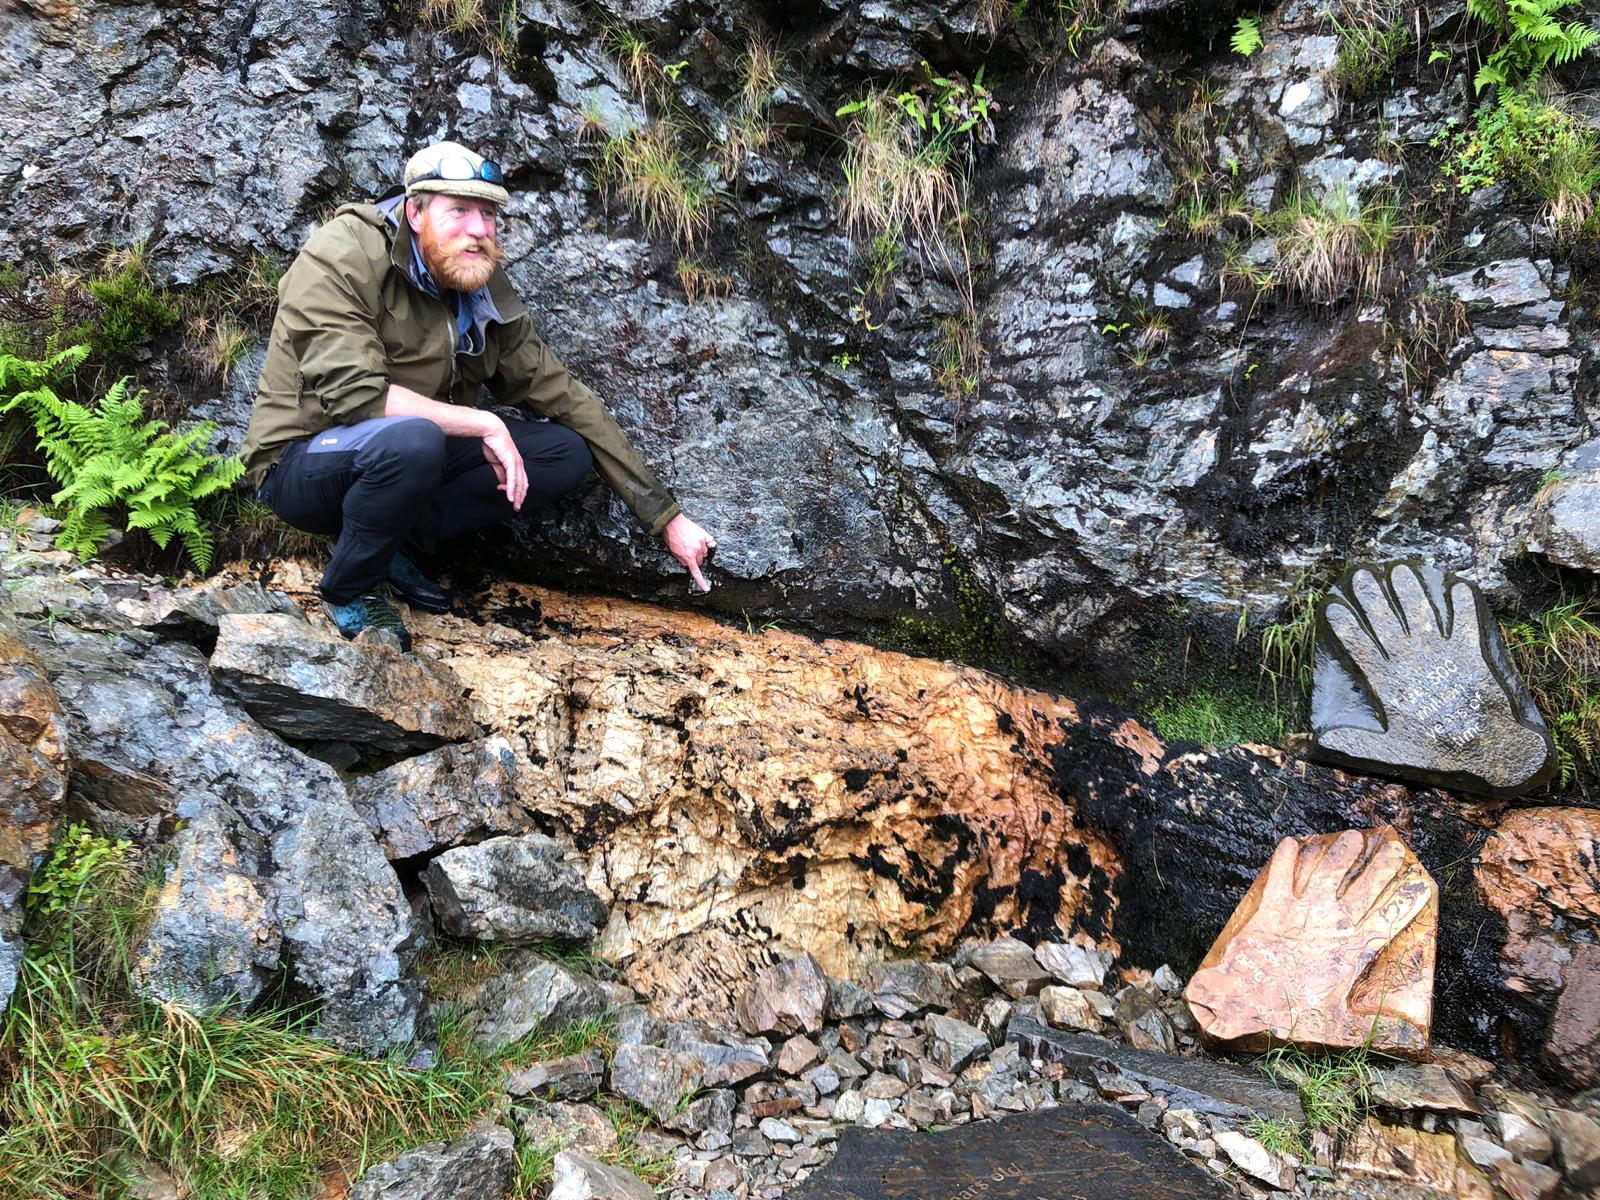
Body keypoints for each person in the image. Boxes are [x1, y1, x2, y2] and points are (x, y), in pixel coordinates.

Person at [240, 140, 717, 650]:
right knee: (414, 441)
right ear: (415, 212)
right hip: (302, 462)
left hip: (405, 453)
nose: (478, 230)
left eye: (488, 214)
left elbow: (563, 395)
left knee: (563, 452)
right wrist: (485, 423)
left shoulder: (479, 282)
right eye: (460, 210)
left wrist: (666, 518)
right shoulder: (345, 253)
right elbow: (358, 399)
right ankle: (350, 586)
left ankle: (388, 547)